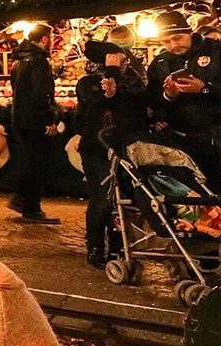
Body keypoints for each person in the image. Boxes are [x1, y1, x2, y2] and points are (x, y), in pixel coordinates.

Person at [77, 40, 146, 268]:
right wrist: (111, 71)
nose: (121, 61)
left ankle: (119, 245)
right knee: (103, 198)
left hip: (126, 148)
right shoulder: (88, 83)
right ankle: (95, 245)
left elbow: (136, 107)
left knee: (123, 200)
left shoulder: (134, 82)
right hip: (97, 149)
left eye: (121, 58)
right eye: (114, 58)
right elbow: (103, 99)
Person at [148, 10, 221, 189]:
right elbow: (152, 103)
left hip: (216, 137)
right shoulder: (160, 63)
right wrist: (168, 97)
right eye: (166, 41)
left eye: (178, 38)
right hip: (180, 143)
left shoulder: (216, 51)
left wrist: (204, 89)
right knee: (193, 197)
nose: (173, 45)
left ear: (190, 31)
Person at [9, 24, 62, 224]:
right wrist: (49, 118)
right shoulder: (38, 61)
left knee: (28, 159)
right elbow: (42, 92)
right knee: (37, 163)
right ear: (45, 39)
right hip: (35, 120)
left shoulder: (19, 60)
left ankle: (21, 199)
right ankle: (31, 206)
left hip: (21, 118)